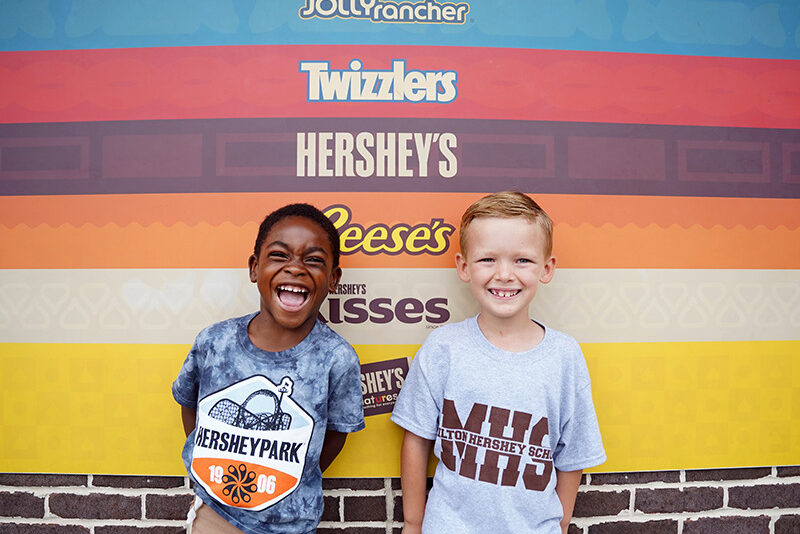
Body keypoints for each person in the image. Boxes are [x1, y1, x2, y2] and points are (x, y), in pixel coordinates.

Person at [391, 191, 605, 534]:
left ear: (547, 268)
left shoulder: (565, 356)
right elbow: (416, 439)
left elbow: (573, 455)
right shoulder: (443, 348)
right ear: (463, 267)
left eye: (522, 260)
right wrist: (414, 523)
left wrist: (561, 524)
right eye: (487, 259)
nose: (504, 274)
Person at [173, 203, 365, 534]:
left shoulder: (336, 357)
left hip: (291, 524)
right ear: (254, 268)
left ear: (333, 279)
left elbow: (335, 434)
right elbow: (190, 405)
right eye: (279, 255)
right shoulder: (214, 343)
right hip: (215, 517)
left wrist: (286, 479)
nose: (295, 268)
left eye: (314, 260)